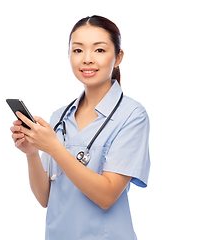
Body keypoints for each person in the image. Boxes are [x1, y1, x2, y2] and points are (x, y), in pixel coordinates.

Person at [10, 15, 150, 240]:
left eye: (99, 50)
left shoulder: (132, 115)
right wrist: (32, 153)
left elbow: (106, 195)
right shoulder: (59, 117)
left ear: (118, 57)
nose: (87, 59)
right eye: (77, 50)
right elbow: (46, 197)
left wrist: (54, 148)